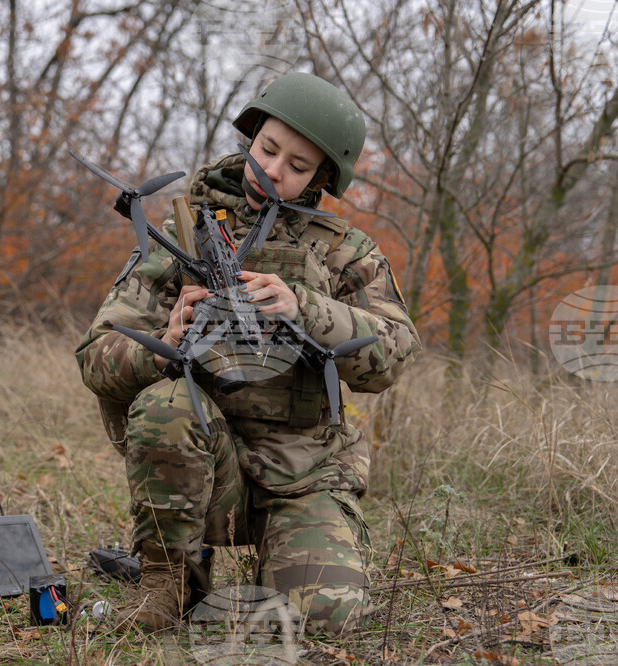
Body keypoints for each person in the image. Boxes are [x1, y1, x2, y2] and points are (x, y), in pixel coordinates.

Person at [75, 71, 419, 636]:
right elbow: (96, 356)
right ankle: (170, 580)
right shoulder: (182, 234)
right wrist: (166, 342)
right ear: (250, 136)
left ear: (324, 177)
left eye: (298, 166)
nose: (273, 172)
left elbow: (395, 355)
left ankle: (288, 551)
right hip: (206, 467)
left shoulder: (346, 253)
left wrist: (306, 309)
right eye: (267, 149)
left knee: (325, 619)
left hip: (302, 475)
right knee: (167, 405)